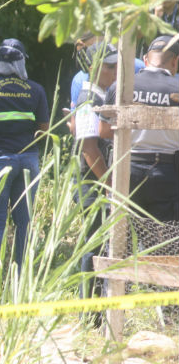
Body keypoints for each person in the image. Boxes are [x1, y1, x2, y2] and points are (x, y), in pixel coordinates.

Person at [0, 38, 50, 284]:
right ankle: (21, 275)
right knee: (24, 221)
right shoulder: (36, 90)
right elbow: (43, 131)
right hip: (28, 162)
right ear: (21, 61)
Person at [101, 35, 179, 222]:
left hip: (127, 170)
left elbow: (103, 131)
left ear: (145, 60)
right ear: (176, 62)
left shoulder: (121, 87)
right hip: (167, 173)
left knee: (125, 235)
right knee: (165, 239)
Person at [73, 42, 118, 319]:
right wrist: (111, 184)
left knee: (104, 245)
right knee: (93, 245)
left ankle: (97, 310)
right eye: (110, 67)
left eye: (118, 66)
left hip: (100, 182)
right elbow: (89, 149)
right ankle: (85, 311)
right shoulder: (88, 98)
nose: (115, 72)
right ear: (92, 67)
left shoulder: (103, 93)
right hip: (93, 184)